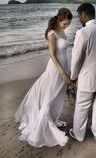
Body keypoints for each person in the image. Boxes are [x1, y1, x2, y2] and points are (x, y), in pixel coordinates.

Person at [15, 8, 73, 147]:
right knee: (51, 96)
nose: (67, 26)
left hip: (64, 67)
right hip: (55, 69)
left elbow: (64, 53)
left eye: (68, 24)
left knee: (58, 96)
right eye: (65, 24)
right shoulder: (52, 34)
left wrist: (68, 69)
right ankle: (42, 125)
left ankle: (52, 118)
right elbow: (52, 55)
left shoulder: (62, 32)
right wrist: (62, 72)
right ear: (59, 20)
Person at [69, 3, 96, 142]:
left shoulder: (82, 32)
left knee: (82, 106)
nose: (79, 20)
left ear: (84, 14)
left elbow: (76, 59)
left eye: (79, 16)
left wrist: (73, 77)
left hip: (87, 77)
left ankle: (79, 135)